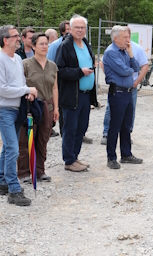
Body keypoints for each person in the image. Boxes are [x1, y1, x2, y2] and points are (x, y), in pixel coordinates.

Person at [0, 25, 37, 206]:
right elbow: (1, 89)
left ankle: (3, 182)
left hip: (17, 108)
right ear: (5, 40)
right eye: (15, 36)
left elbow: (20, 83)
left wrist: (28, 93)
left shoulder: (17, 58)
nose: (19, 38)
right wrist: (27, 89)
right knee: (13, 148)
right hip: (3, 109)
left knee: (8, 146)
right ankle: (13, 189)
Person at [55, 15, 98, 172]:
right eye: (77, 27)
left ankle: (75, 156)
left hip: (86, 95)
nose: (80, 30)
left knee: (82, 127)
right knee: (70, 128)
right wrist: (80, 72)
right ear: (70, 29)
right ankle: (68, 160)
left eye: (82, 27)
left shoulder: (86, 44)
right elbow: (60, 70)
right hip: (72, 95)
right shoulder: (65, 46)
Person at [18, 33, 60, 183]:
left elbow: (55, 88)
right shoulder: (25, 64)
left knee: (43, 139)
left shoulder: (52, 65)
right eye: (41, 44)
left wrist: (56, 108)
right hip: (31, 106)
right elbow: (20, 84)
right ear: (33, 46)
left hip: (47, 106)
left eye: (46, 44)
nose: (44, 47)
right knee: (26, 139)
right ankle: (23, 173)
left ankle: (39, 171)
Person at [102, 25, 144, 169]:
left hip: (127, 92)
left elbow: (136, 67)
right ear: (116, 38)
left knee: (126, 125)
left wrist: (131, 54)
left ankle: (126, 154)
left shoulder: (125, 51)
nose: (128, 40)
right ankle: (111, 157)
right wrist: (131, 69)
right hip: (118, 92)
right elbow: (124, 71)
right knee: (115, 125)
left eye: (128, 37)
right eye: (125, 37)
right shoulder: (111, 52)